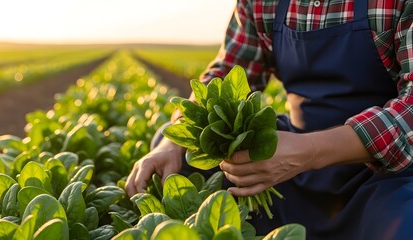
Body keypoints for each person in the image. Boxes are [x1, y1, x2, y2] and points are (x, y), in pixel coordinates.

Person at [126, 0, 413, 239]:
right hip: (291, 168)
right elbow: (226, 75)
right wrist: (174, 137)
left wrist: (309, 151)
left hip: (387, 176)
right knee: (178, 152)